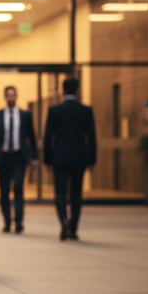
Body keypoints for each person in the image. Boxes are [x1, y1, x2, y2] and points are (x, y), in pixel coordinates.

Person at [43, 77, 97, 241]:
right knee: (76, 194)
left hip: (59, 158)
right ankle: (73, 227)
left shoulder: (55, 110)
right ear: (78, 90)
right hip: (79, 158)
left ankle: (64, 222)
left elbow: (48, 137)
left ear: (63, 90)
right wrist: (91, 160)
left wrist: (47, 159)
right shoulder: (85, 111)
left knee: (59, 193)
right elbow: (92, 138)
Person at [0, 85, 38, 233]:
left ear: (16, 97)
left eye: (13, 95)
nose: (11, 98)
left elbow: (31, 137)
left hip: (19, 157)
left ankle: (18, 222)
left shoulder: (25, 115)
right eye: (8, 95)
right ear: (5, 97)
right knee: (4, 191)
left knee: (18, 188)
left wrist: (34, 158)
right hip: (3, 157)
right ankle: (6, 222)